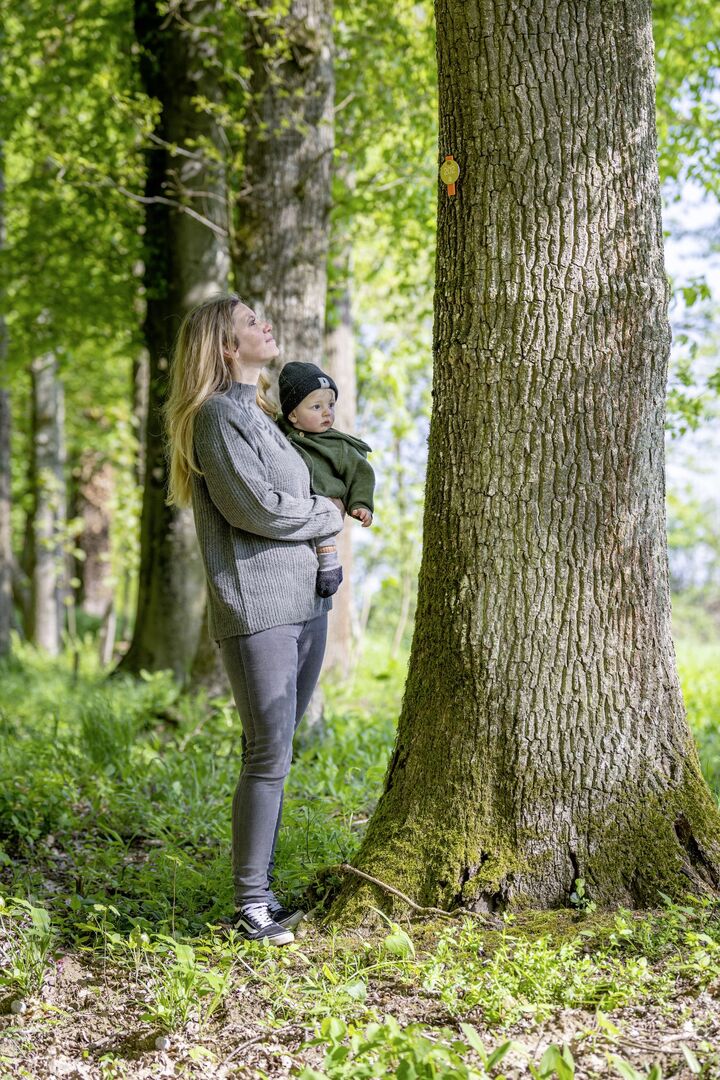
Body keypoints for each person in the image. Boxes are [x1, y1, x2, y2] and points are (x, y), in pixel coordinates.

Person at [164, 293, 345, 946]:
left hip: (308, 604)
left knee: (278, 752)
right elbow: (257, 510)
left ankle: (259, 894)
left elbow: (295, 495)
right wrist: (329, 516)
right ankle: (250, 904)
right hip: (259, 610)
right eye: (249, 322)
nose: (265, 324)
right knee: (266, 753)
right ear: (224, 346)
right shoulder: (215, 416)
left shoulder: (262, 415)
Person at [272, 362, 374, 598]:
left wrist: (360, 504)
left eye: (330, 405)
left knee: (325, 526)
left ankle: (329, 566)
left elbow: (360, 472)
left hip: (325, 502)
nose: (327, 412)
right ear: (293, 415)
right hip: (295, 505)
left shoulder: (338, 445)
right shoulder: (279, 429)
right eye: (316, 406)